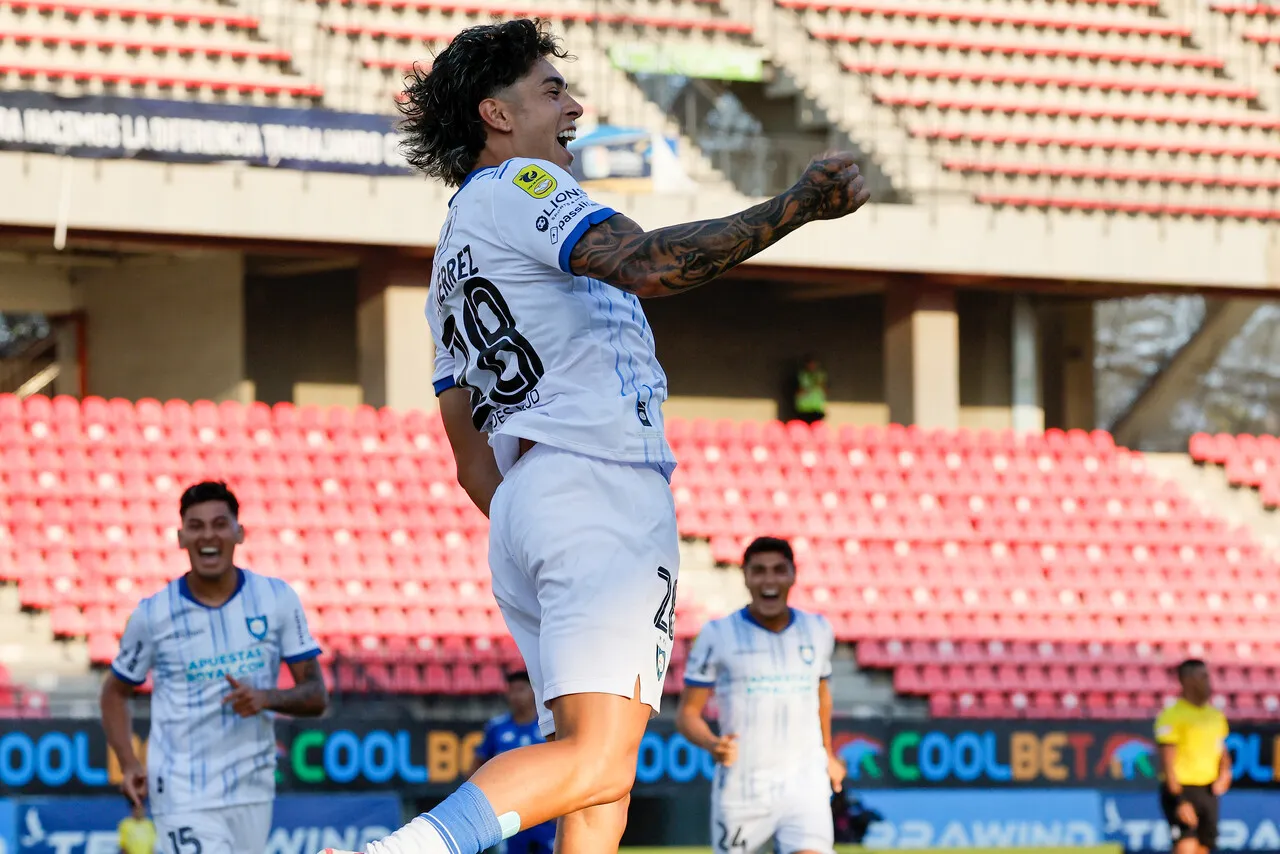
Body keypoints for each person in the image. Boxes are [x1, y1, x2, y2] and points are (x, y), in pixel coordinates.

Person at [330, 17, 868, 854]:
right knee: (595, 759)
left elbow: (469, 454)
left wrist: (537, 515)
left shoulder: (450, 260)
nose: (573, 104)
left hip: (530, 503)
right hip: (597, 484)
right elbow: (646, 263)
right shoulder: (521, 187)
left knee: (596, 779)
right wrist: (797, 207)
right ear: (496, 116)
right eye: (551, 89)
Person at [101, 481, 329, 854]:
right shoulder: (153, 614)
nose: (208, 535)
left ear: (239, 532)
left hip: (252, 788)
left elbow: (316, 695)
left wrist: (265, 698)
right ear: (180, 538)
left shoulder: (276, 599)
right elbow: (114, 691)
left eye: (220, 523)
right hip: (181, 791)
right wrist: (128, 763)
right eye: (196, 526)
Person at [676, 537, 844, 854]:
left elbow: (821, 696)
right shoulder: (716, 635)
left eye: (779, 570)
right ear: (746, 576)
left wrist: (829, 753)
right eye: (760, 571)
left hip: (804, 784)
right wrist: (713, 744)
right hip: (743, 788)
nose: (769, 580)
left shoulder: (818, 629)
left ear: (793, 575)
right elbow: (687, 715)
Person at [469, 672, 555, 854]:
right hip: (509, 813)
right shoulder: (497, 727)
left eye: (521, 690)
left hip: (548, 810)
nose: (515, 696)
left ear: (533, 692)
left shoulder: (549, 724)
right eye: (511, 691)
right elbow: (476, 767)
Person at [1155, 659, 1231, 854]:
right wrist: (1179, 800)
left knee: (1203, 848)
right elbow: (1167, 761)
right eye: (1203, 676)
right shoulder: (1171, 715)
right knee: (1185, 846)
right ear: (1187, 680)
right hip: (1182, 789)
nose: (1208, 681)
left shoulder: (1215, 716)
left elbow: (1221, 749)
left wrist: (1225, 773)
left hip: (1208, 790)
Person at [794, 356, 827, 424]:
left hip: (817, 408)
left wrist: (820, 385)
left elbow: (825, 390)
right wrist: (810, 387)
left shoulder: (820, 375)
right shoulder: (801, 375)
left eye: (814, 364)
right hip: (804, 409)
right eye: (810, 364)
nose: (812, 366)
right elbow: (797, 392)